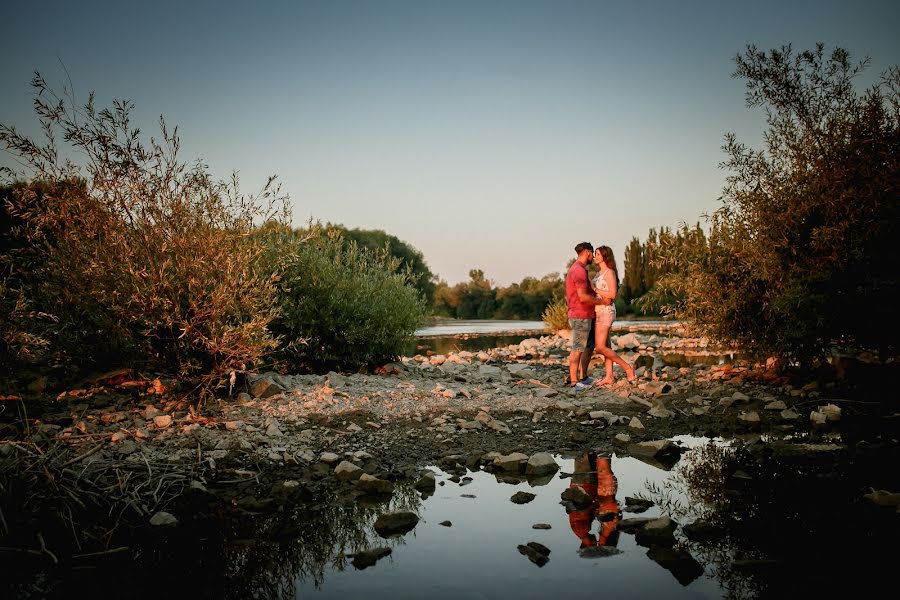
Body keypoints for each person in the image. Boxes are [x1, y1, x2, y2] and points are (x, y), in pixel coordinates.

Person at [565, 242, 612, 390]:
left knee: (589, 346)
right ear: (586, 252)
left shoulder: (581, 270)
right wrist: (602, 302)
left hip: (588, 314)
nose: (593, 256)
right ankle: (574, 382)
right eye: (592, 253)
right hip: (580, 315)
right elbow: (583, 297)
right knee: (578, 348)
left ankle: (583, 377)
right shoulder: (578, 270)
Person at [591, 245, 636, 385]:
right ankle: (609, 377)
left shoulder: (609, 273)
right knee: (607, 346)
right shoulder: (598, 274)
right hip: (598, 311)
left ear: (605, 256)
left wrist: (595, 289)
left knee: (599, 347)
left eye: (597, 254)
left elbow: (613, 294)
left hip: (606, 312)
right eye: (594, 254)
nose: (594, 256)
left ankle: (628, 368)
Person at [567, 451, 621, 549]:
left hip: (585, 486)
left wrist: (595, 504)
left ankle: (583, 446)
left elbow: (583, 510)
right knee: (590, 464)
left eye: (593, 544)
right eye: (598, 543)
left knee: (585, 463)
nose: (595, 542)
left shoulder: (582, 531)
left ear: (586, 545)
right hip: (586, 487)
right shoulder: (582, 531)